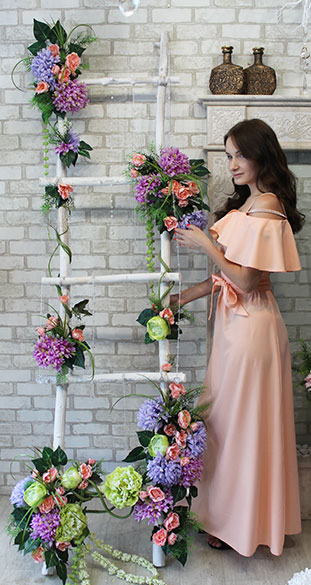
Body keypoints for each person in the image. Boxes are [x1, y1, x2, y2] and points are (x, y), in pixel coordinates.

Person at [172, 118, 304, 557]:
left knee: (243, 427)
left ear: (261, 153)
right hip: (237, 329)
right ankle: (230, 518)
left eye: (239, 155)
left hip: (252, 328)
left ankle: (241, 526)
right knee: (229, 425)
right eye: (228, 156)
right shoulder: (249, 206)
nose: (232, 164)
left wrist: (207, 247)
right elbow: (225, 281)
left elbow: (246, 282)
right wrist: (181, 298)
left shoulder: (267, 206)